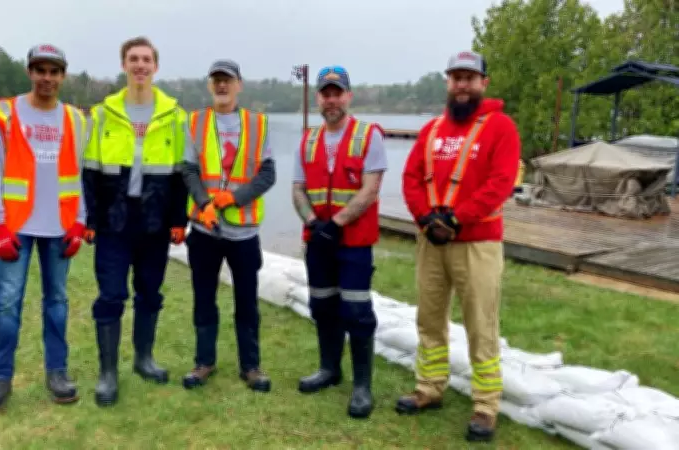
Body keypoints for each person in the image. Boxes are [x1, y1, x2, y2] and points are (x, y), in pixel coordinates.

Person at [395, 51, 521, 443]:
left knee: (481, 323)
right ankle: (429, 387)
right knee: (429, 317)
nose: (462, 85)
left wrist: (456, 218)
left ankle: (486, 404)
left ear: (484, 82)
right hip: (431, 240)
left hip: (477, 242)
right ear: (447, 83)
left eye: (470, 77)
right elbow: (412, 177)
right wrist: (424, 219)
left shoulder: (501, 128)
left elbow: (500, 183)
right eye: (456, 78)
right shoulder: (432, 130)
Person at [0, 44, 89, 414]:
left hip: (60, 229)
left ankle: (57, 373)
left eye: (54, 71)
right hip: (15, 228)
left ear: (63, 76)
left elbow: (82, 174)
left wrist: (81, 221)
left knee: (57, 302)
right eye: (40, 70)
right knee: (7, 303)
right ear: (29, 72)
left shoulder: (76, 119)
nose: (47, 78)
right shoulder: (3, 115)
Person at [81, 36, 190, 407]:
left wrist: (179, 219)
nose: (140, 65)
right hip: (113, 221)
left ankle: (144, 359)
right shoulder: (102, 114)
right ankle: (108, 372)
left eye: (146, 59)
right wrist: (90, 218)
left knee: (150, 292)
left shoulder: (175, 116)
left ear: (155, 67)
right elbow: (90, 171)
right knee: (111, 294)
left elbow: (181, 173)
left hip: (155, 221)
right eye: (133, 59)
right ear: (124, 65)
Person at [291, 65, 387, 419]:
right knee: (323, 306)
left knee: (357, 311)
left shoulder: (368, 135)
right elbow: (298, 188)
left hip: (354, 242)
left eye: (337, 92)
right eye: (325, 93)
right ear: (318, 98)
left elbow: (371, 188)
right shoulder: (308, 139)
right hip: (319, 240)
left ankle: (362, 386)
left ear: (349, 95)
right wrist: (314, 222)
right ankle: (329, 369)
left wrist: (338, 222)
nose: (331, 99)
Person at [181, 59, 276, 392]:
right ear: (210, 85)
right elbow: (189, 170)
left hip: (244, 233)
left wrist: (233, 198)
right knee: (204, 299)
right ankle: (203, 362)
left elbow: (267, 174)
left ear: (239, 85)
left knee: (246, 302)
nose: (222, 85)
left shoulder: (258, 124)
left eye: (228, 80)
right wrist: (205, 203)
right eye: (216, 80)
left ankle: (251, 366)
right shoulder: (194, 122)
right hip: (205, 233)